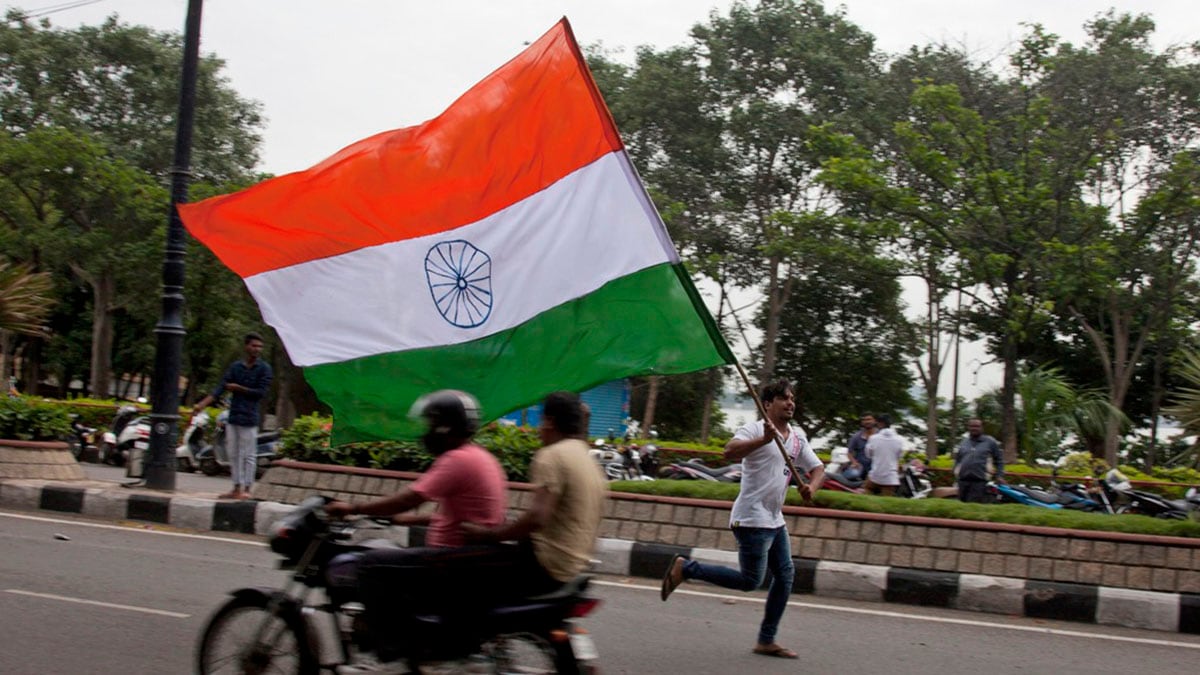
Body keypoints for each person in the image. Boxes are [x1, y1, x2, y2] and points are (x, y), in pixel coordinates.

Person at [324, 389, 509, 673]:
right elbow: (455, 513)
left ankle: (388, 656)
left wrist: (353, 507)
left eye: (431, 423)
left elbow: (409, 497)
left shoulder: (456, 460)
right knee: (395, 562)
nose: (427, 431)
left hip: (451, 560)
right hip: (467, 557)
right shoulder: (480, 456)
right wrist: (407, 521)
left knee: (370, 564)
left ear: (444, 426)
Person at [660, 379, 824, 660]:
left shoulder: (797, 438)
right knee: (750, 581)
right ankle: (687, 568)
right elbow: (729, 451)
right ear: (768, 404)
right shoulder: (755, 429)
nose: (790, 403)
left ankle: (766, 640)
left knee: (785, 576)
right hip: (751, 518)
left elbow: (818, 468)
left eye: (792, 398)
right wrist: (763, 440)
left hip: (775, 519)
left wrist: (812, 487)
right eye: (783, 398)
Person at [461, 390, 609, 599]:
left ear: (549, 421)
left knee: (468, 572)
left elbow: (538, 517)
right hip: (575, 565)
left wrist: (488, 535)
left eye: (540, 421)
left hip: (547, 565)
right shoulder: (586, 457)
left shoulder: (551, 455)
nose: (539, 429)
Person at [191, 332, 273, 500]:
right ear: (246, 346)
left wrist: (239, 388)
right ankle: (236, 487)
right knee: (234, 454)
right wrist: (201, 405)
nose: (257, 349)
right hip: (234, 416)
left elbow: (261, 393)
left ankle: (248, 489)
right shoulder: (236, 367)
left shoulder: (264, 369)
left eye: (260, 347)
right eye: (254, 346)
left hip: (249, 417)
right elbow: (220, 388)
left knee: (249, 455)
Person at [955, 418, 1004, 503]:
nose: (974, 428)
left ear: (982, 428)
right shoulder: (964, 442)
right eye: (972, 426)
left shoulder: (990, 442)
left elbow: (999, 460)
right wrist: (955, 471)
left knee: (973, 507)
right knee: (961, 507)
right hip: (963, 481)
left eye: (977, 426)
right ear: (968, 427)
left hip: (980, 482)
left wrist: (999, 475)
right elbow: (958, 459)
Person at [863, 413, 904, 496]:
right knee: (886, 500)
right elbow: (900, 456)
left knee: (867, 491)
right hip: (890, 475)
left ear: (880, 423)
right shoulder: (899, 439)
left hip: (875, 473)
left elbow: (868, 455)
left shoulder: (873, 438)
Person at [846, 413, 876, 480]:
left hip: (876, 466)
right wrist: (854, 462)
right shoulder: (856, 436)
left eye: (869, 419)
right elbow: (849, 453)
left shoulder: (880, 436)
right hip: (860, 466)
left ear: (874, 421)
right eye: (864, 420)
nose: (867, 422)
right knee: (852, 476)